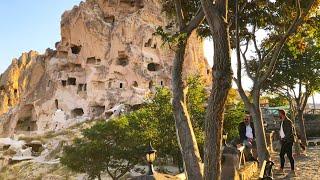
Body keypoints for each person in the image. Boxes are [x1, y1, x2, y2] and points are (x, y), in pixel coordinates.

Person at [278, 109, 295, 175]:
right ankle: (281, 169)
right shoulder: (281, 122)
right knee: (282, 154)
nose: (278, 115)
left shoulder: (288, 121)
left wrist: (285, 138)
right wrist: (281, 138)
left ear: (282, 114)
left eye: (279, 113)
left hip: (288, 141)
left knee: (289, 155)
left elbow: (289, 132)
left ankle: (292, 170)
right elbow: (281, 131)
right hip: (284, 141)